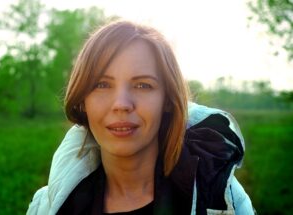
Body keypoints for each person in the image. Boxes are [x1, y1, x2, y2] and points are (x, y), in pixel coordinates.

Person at [27, 20, 254, 215]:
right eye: (102, 84)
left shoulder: (223, 199)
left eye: (143, 85)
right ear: (82, 100)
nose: (121, 104)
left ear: (167, 99)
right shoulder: (45, 207)